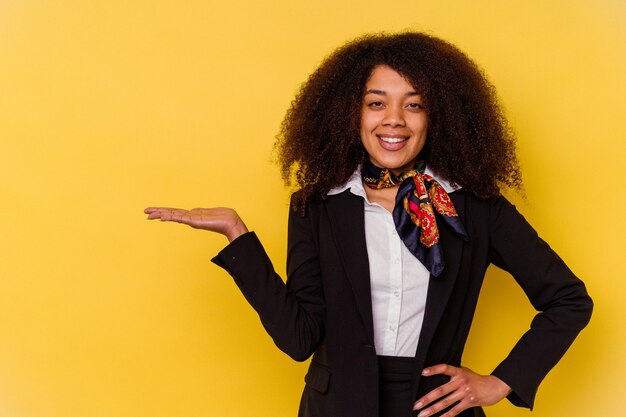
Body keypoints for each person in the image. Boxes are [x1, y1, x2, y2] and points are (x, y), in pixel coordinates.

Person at [144, 32, 592, 417]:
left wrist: (500, 382)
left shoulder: (474, 209)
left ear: (437, 118)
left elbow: (569, 300)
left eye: (414, 104)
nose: (393, 119)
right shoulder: (318, 206)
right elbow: (300, 338)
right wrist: (237, 237)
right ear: (350, 114)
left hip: (434, 409)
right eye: (376, 103)